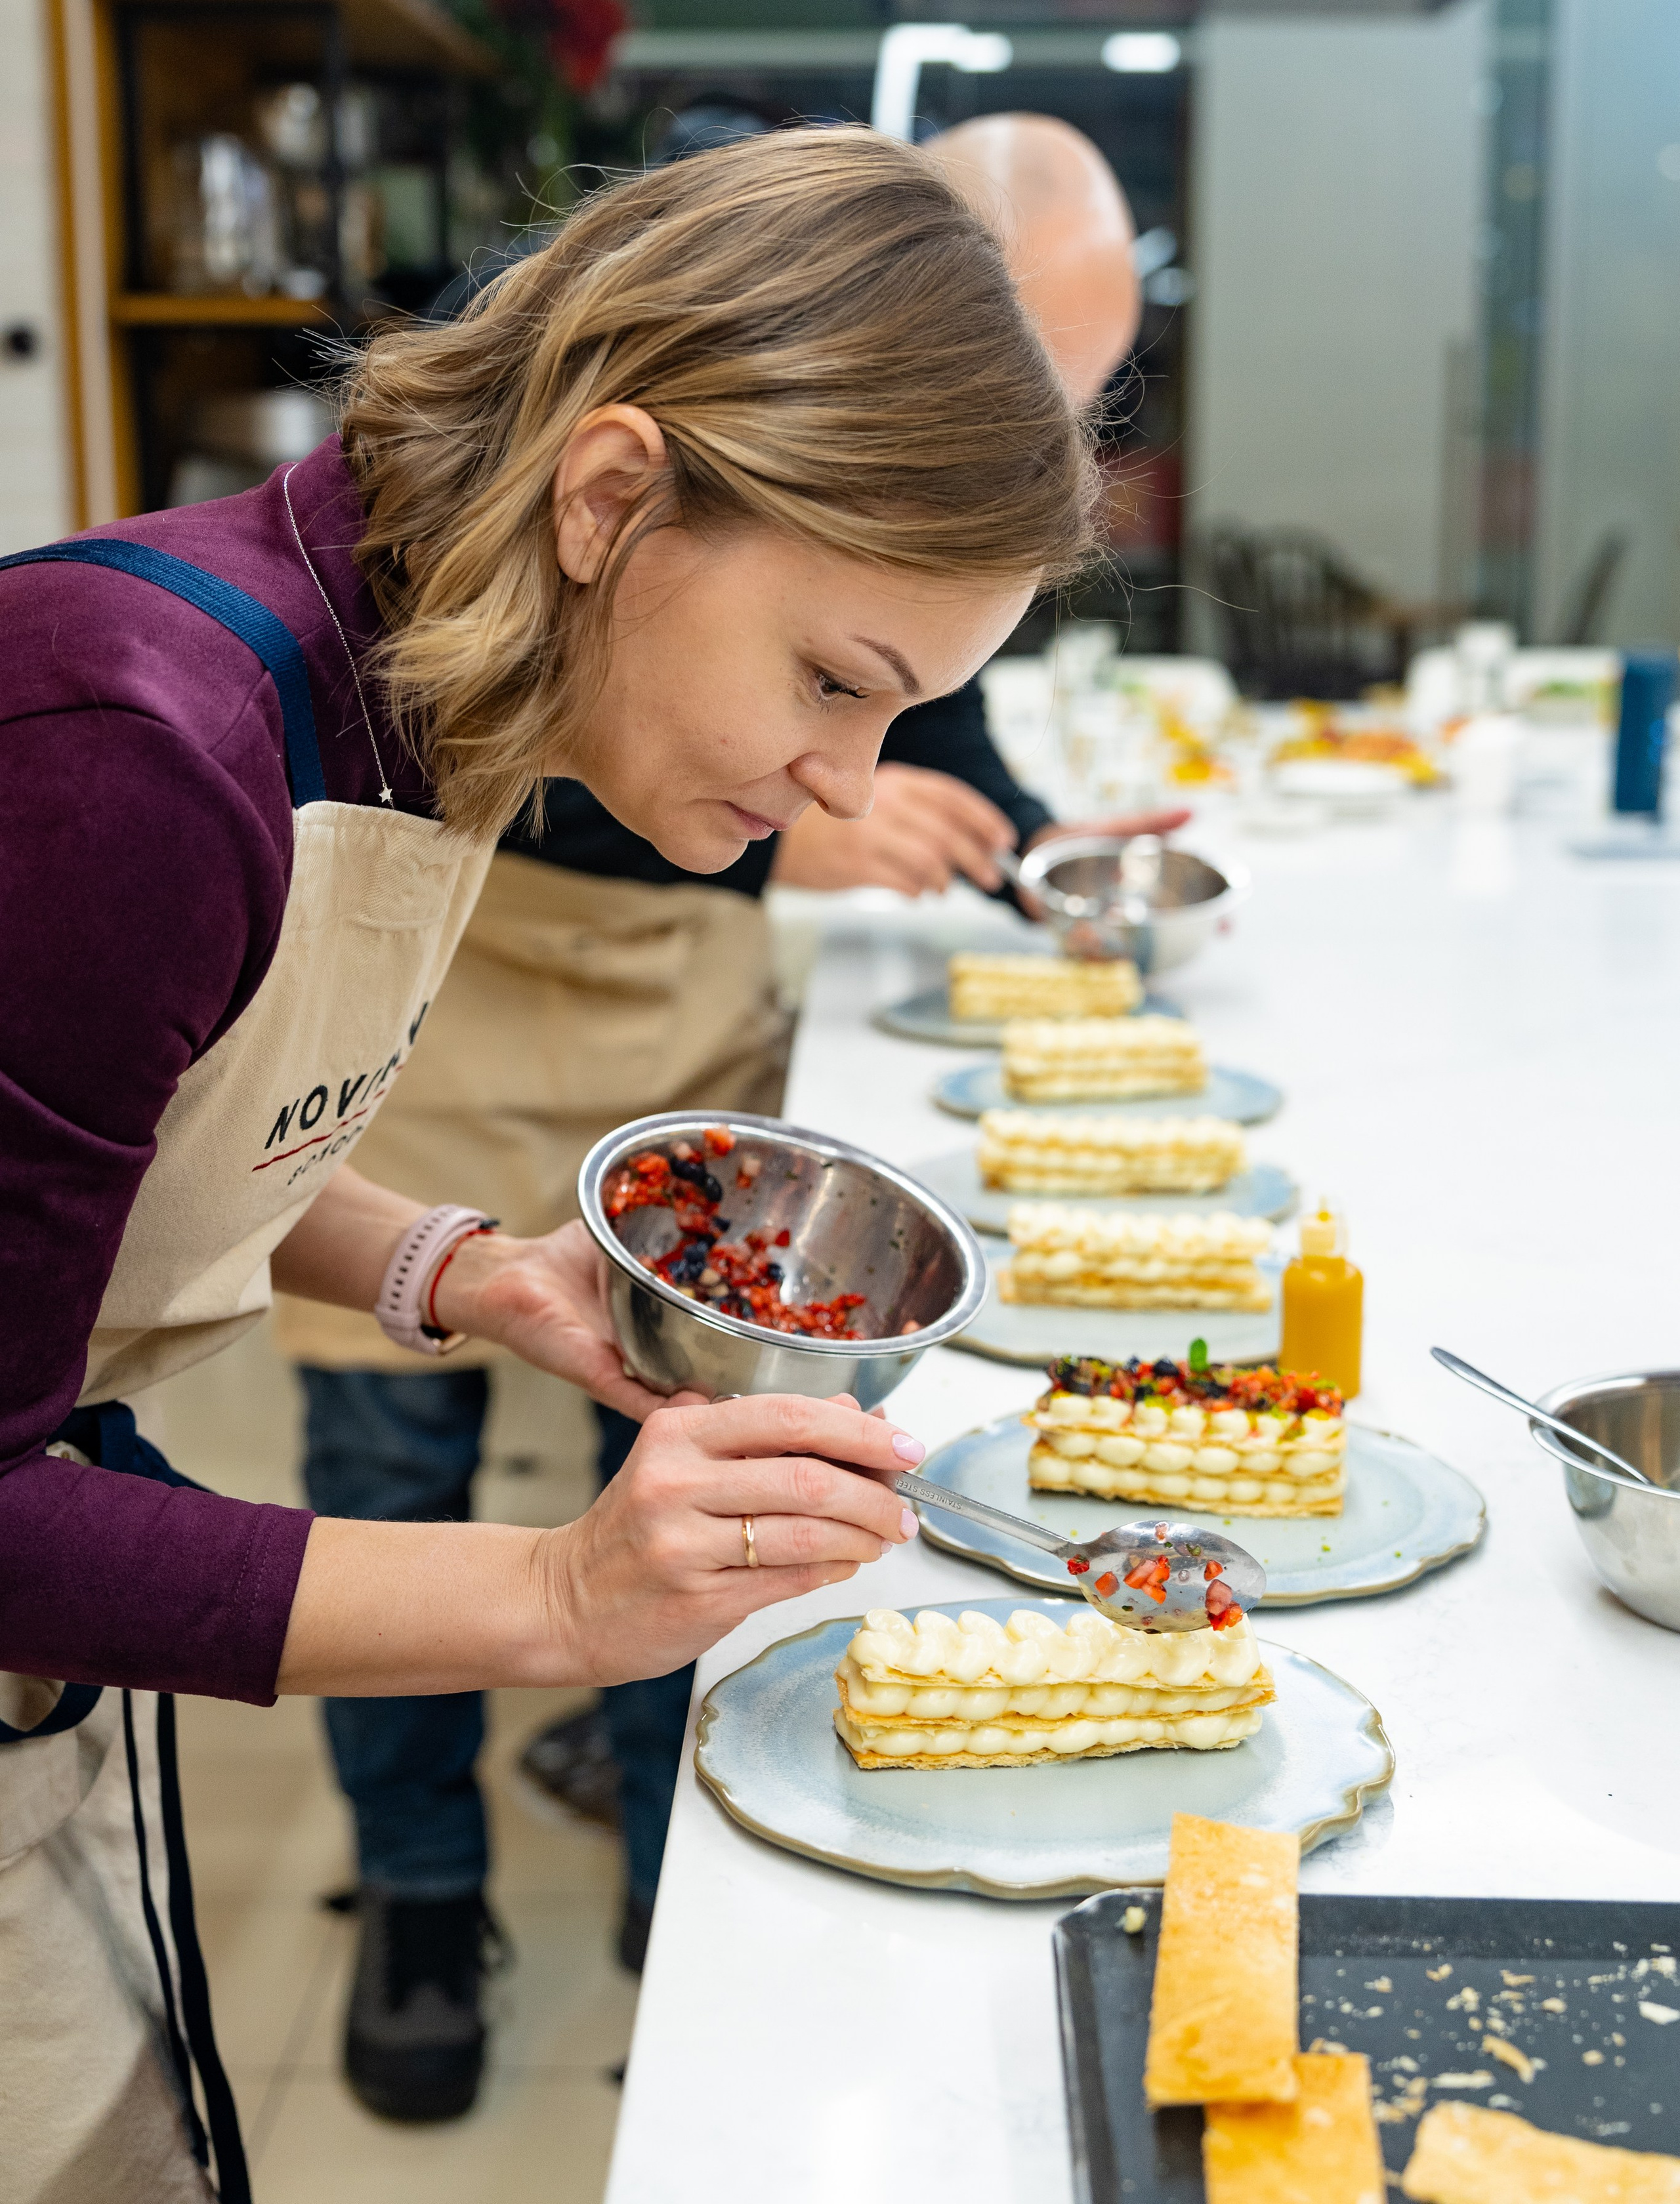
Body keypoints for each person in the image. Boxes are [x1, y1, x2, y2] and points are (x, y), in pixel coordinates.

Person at [0, 127, 1098, 2203]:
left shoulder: (443, 679)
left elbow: (147, 1150)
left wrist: (461, 1269)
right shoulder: (141, 753)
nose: (844, 784)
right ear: (610, 498)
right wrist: (557, 1595)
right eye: (833, 682)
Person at [272, 110, 1175, 2123]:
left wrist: (1037, 855)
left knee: (665, 1483)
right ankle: (419, 1888)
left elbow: (915, 696)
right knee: (387, 1469)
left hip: (667, 1037)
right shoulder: (580, 426)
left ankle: (660, 1872)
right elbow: (505, 691)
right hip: (452, 1036)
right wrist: (787, 848)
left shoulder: (821, 599)